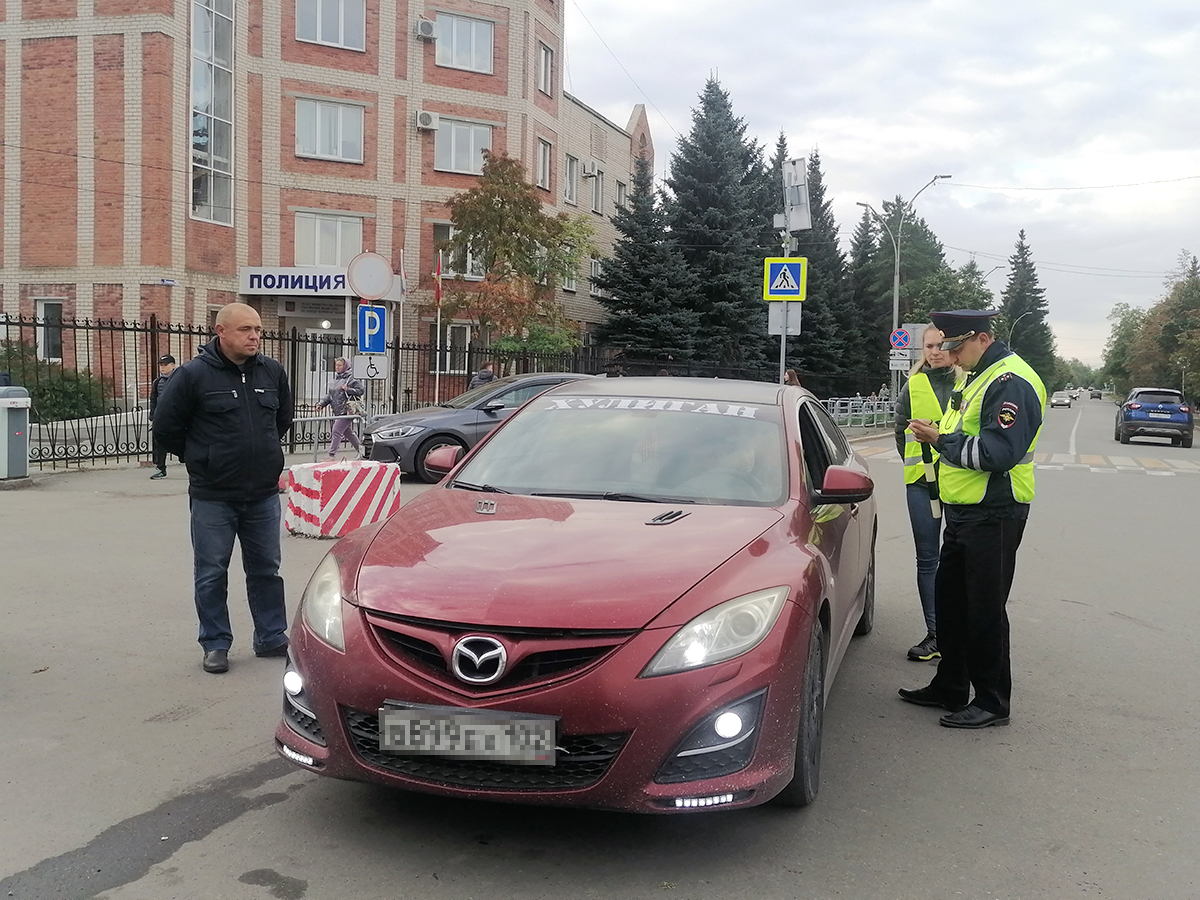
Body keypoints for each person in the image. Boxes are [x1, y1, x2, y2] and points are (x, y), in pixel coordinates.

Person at [899, 310, 1046, 728]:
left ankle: (992, 701)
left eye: (956, 347)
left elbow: (998, 453)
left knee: (984, 609)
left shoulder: (1009, 381)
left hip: (995, 511)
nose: (952, 356)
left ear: (981, 338)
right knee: (952, 602)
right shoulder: (978, 376)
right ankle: (950, 685)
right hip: (965, 512)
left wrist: (940, 440)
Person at [153, 303, 294, 675]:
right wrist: (203, 457)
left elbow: (282, 420)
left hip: (263, 494)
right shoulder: (192, 376)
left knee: (267, 569)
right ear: (221, 331)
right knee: (211, 571)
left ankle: (270, 636)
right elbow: (166, 429)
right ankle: (215, 642)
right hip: (213, 496)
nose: (254, 336)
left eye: (259, 330)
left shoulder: (272, 372)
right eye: (246, 329)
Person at [893, 326, 959, 662]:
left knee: (958, 559)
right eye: (929, 346)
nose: (935, 352)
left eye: (942, 346)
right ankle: (936, 634)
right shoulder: (913, 385)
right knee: (928, 558)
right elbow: (899, 430)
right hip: (921, 482)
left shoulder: (966, 384)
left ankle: (959, 632)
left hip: (960, 480)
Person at [316, 357, 364, 458]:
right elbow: (330, 395)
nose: (337, 367)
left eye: (339, 365)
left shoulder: (351, 379)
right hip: (337, 411)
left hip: (347, 411)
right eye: (336, 365)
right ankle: (362, 452)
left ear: (345, 366)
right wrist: (321, 404)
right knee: (348, 433)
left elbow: (361, 391)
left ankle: (331, 455)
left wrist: (348, 389)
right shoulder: (335, 380)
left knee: (336, 430)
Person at [148, 354, 177, 479]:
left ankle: (193, 467)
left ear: (173, 365)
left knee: (187, 442)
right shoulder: (158, 382)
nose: (162, 368)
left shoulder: (179, 379)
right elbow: (153, 399)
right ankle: (161, 468)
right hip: (161, 417)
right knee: (159, 442)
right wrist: (153, 416)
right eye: (161, 365)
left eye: (165, 365)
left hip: (177, 416)